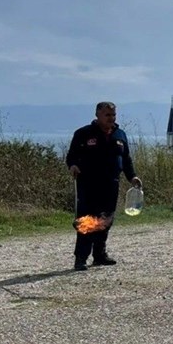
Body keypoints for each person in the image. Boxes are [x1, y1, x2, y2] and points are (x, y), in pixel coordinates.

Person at [66, 102, 142, 271]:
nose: (111, 118)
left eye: (113, 115)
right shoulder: (83, 133)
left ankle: (100, 255)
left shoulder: (120, 135)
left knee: (106, 219)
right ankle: (81, 258)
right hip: (88, 184)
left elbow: (126, 160)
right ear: (98, 115)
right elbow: (71, 156)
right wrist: (72, 166)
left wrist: (133, 177)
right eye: (107, 115)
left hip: (111, 184)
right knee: (87, 221)